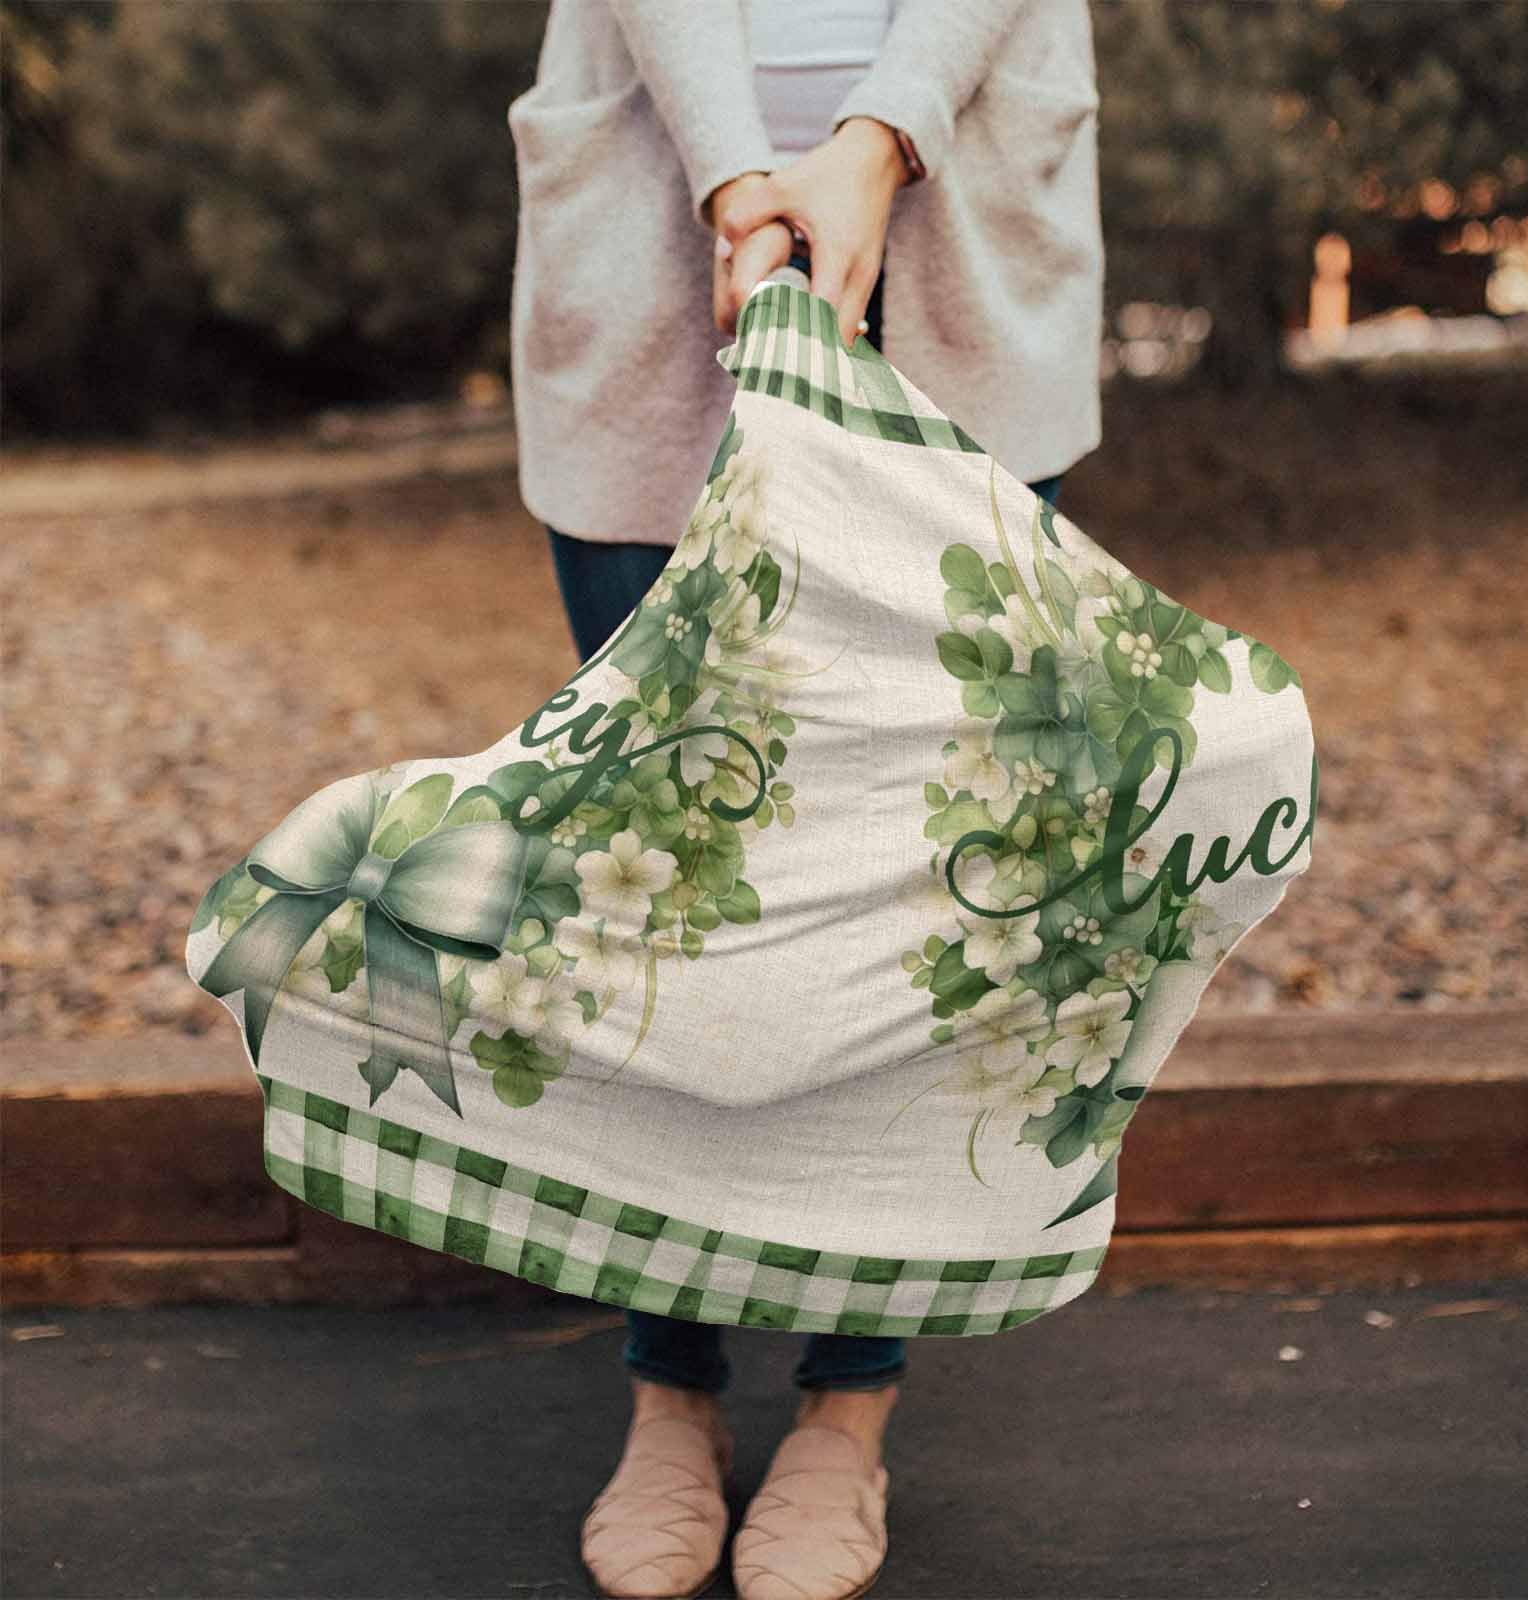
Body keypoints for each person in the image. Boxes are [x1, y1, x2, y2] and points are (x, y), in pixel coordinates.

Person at [505, 3, 1103, 1595]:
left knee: (922, 878)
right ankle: (669, 1388)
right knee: (661, 870)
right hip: (656, 222)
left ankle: (849, 1407)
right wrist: (733, 177)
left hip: (960, 220)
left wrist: (877, 137)